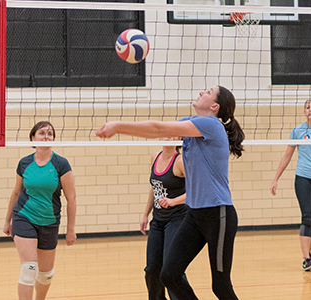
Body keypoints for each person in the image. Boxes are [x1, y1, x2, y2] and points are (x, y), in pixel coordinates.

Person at [96, 85, 245, 300]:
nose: (201, 92)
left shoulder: (211, 124)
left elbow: (157, 128)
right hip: (194, 214)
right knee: (169, 275)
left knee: (220, 286)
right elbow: (157, 131)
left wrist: (118, 126)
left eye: (208, 92)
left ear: (215, 106)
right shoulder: (191, 123)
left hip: (218, 214)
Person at [3, 121, 77, 300]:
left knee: (45, 274)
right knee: (29, 268)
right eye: (42, 133)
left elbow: (72, 198)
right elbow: (16, 192)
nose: (46, 136)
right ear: (33, 138)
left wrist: (70, 229)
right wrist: (7, 220)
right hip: (24, 217)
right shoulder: (24, 163)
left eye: (50, 133)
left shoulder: (61, 164)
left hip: (49, 222)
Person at [269, 99, 311, 271]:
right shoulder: (297, 131)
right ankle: (307, 258)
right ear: (304, 112)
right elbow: (287, 156)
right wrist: (276, 178)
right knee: (307, 217)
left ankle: (307, 255)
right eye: (308, 107)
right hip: (303, 178)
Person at [141, 138, 189, 300]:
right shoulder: (155, 157)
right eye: (166, 134)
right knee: (152, 269)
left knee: (171, 270)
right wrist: (145, 214)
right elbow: (154, 189)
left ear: (179, 139)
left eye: (172, 135)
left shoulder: (181, 161)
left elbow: (195, 190)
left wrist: (173, 201)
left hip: (177, 220)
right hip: (158, 221)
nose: (168, 137)